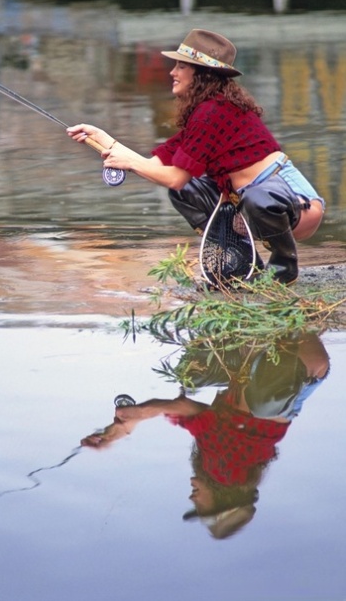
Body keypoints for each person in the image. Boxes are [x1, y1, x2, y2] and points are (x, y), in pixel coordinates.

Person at [67, 28, 325, 284]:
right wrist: (103, 139)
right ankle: (247, 263)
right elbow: (156, 166)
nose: (172, 72)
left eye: (180, 67)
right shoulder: (205, 113)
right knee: (187, 190)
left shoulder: (213, 111)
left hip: (297, 205)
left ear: (201, 73)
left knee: (254, 196)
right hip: (254, 204)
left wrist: (129, 163)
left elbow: (174, 177)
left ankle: (284, 268)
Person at [80, 333, 330, 539]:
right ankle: (284, 329)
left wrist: (127, 426)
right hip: (297, 362)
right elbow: (190, 412)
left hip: (289, 367)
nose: (193, 498)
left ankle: (257, 328)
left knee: (191, 372)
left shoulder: (222, 462)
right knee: (263, 403)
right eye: (201, 506)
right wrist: (140, 413)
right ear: (223, 499)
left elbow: (192, 415)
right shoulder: (228, 472)